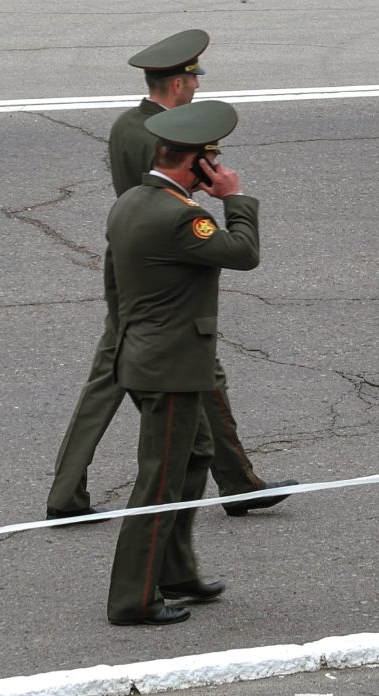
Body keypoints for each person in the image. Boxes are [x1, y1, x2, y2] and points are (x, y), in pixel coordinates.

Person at [46, 29, 296, 522]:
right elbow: (169, 197)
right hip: (162, 270)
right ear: (179, 84)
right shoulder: (166, 136)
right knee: (199, 374)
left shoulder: (127, 123)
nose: (198, 88)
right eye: (194, 80)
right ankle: (238, 484)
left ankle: (68, 492)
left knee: (110, 377)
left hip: (129, 261)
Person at [104, 101, 261, 625]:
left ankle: (175, 571)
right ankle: (133, 598)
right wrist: (234, 197)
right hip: (169, 368)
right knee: (159, 483)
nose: (215, 171)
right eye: (210, 162)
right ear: (193, 163)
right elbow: (242, 252)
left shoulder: (131, 201)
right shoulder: (181, 215)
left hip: (150, 359)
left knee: (195, 459)